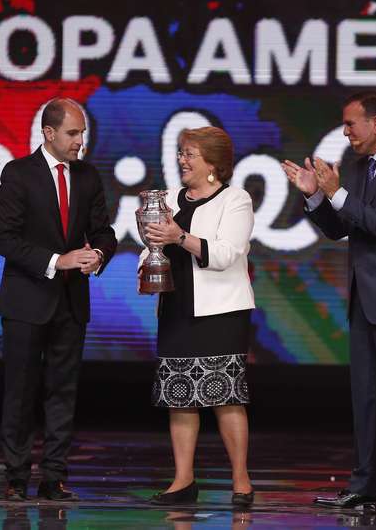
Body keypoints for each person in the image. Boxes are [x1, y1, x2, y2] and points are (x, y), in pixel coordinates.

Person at [282, 91, 376, 513]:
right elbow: (341, 227)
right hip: (366, 296)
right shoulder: (359, 167)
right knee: (367, 395)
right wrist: (316, 194)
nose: (346, 131)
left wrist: (339, 194)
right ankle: (366, 483)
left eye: (351, 123)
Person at [0, 98, 117, 501]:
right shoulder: (18, 174)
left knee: (62, 391)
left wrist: (98, 254)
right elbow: (5, 239)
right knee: (21, 390)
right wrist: (56, 260)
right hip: (27, 300)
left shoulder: (87, 177)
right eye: (73, 133)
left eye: (82, 133)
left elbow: (104, 231)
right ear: (49, 133)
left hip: (70, 301)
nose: (81, 141)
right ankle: (15, 477)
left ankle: (54, 477)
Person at [140, 126, 255, 507]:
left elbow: (226, 254)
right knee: (181, 398)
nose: (181, 160)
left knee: (226, 397)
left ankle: (241, 480)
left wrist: (179, 237)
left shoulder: (235, 200)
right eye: (180, 152)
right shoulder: (169, 199)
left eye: (189, 153)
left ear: (213, 163)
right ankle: (183, 480)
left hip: (220, 312)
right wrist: (148, 262)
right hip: (176, 308)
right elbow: (153, 243)